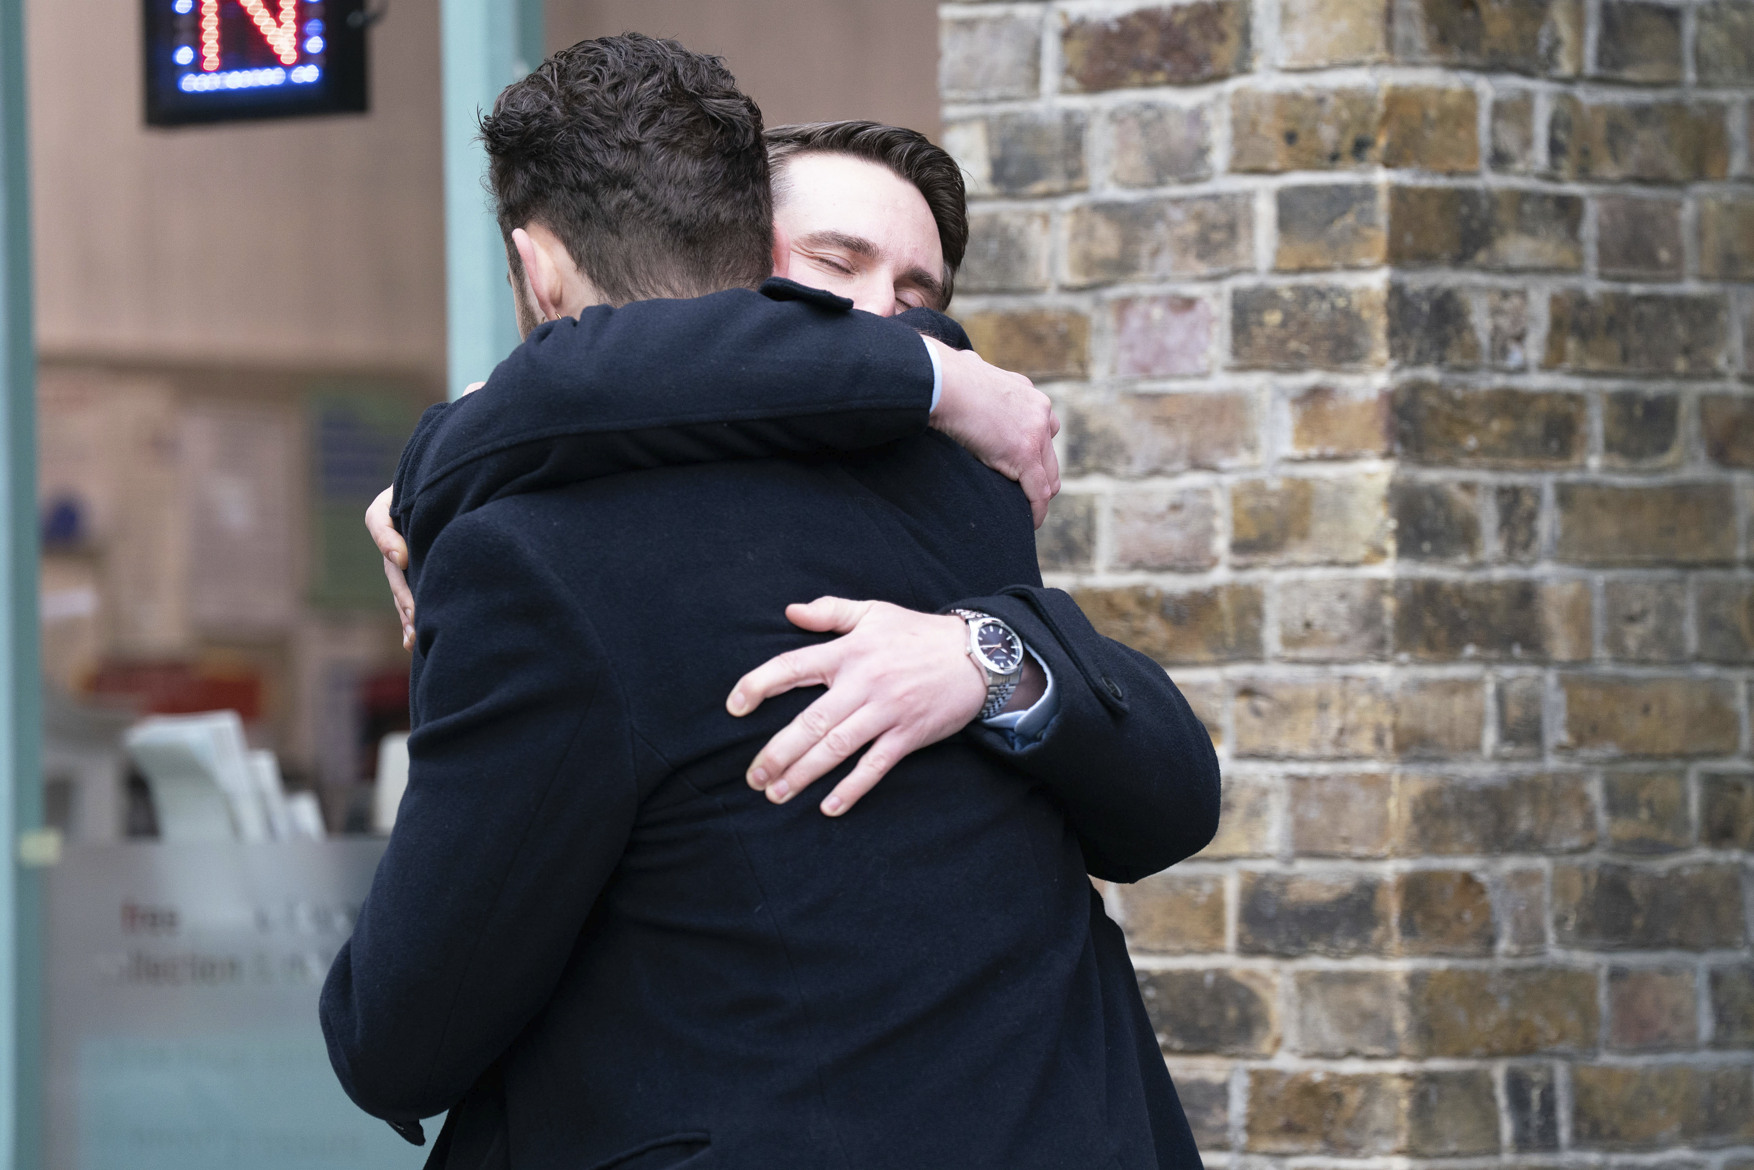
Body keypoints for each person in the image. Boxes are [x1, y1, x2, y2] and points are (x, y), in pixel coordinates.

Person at [322, 34, 1219, 1170]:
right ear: (741, 282)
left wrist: (985, 657)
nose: (876, 326)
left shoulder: (944, 476)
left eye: (918, 298)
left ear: (539, 268)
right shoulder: (940, 462)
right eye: (829, 274)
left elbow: (403, 1031)